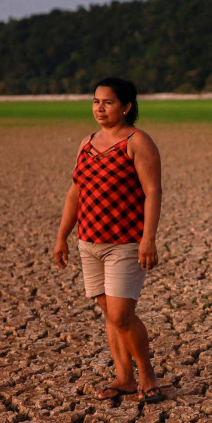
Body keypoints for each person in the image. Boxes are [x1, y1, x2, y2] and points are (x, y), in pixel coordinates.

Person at [53, 78, 166, 403]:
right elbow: (75, 191)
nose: (99, 108)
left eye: (108, 102)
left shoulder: (137, 141)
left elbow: (152, 191)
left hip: (125, 242)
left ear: (126, 107)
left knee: (120, 315)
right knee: (111, 315)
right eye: (95, 101)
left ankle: (146, 373)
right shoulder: (87, 143)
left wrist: (149, 239)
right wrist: (62, 236)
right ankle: (123, 377)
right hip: (89, 242)